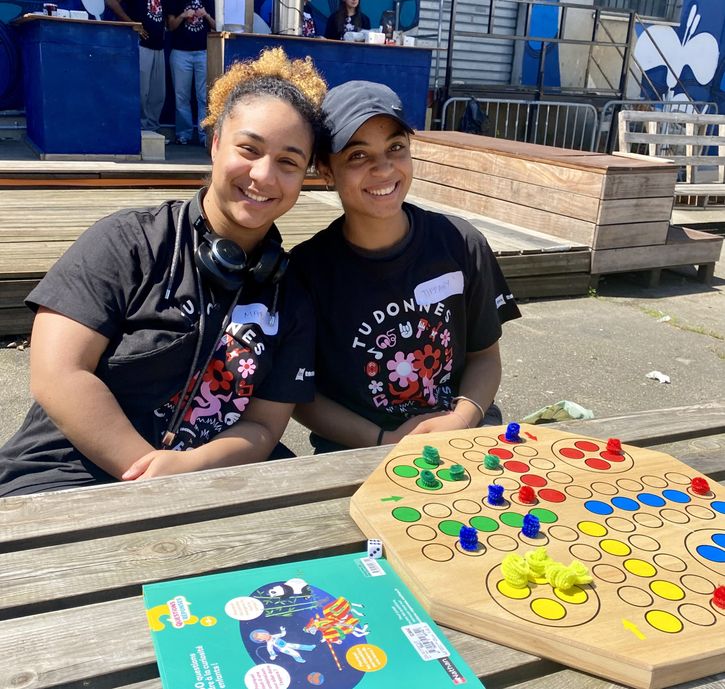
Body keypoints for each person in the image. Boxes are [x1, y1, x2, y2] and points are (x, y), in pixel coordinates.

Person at [0, 48, 327, 497]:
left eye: (288, 162)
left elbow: (264, 427)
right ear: (215, 143)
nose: (264, 176)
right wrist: (150, 476)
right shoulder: (128, 241)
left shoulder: (290, 293)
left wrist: (189, 468)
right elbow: (58, 373)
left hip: (205, 479)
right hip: (70, 474)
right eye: (249, 149)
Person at [291, 81, 521, 452]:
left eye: (396, 148)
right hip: (359, 448)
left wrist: (460, 419)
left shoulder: (461, 243)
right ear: (326, 170)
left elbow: (485, 357)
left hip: (463, 432)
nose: (383, 168)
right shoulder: (306, 271)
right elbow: (300, 394)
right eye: (358, 155)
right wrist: (385, 441)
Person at [105, 0, 166, 133]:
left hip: (159, 47)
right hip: (141, 45)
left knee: (158, 94)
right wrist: (131, 23)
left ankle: (152, 131)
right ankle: (139, 130)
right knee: (141, 91)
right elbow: (111, 2)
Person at [166, 0, 215, 145]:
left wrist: (206, 15)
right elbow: (171, 26)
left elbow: (218, 26)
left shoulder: (210, 1)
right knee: (181, 97)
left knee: (204, 96)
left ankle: (205, 135)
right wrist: (183, 15)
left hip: (204, 52)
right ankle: (183, 134)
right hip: (180, 52)